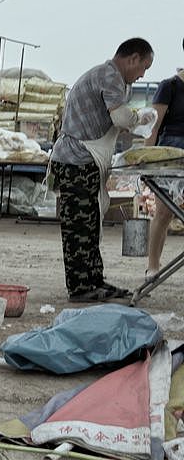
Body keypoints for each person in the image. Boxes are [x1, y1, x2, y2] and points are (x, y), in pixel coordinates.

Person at [49, 37, 154, 302]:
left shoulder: (112, 78)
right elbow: (120, 117)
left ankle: (94, 280)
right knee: (79, 229)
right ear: (133, 58)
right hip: (75, 161)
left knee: (91, 225)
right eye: (144, 67)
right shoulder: (110, 76)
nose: (142, 75)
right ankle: (80, 287)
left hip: (84, 161)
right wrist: (139, 118)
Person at [146, 38, 184, 278]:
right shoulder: (169, 86)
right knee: (164, 212)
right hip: (171, 152)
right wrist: (145, 160)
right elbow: (153, 126)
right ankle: (153, 265)